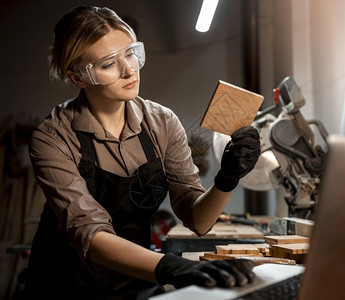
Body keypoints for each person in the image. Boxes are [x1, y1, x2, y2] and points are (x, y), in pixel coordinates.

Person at [25, 5, 261, 299]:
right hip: (64, 285)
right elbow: (92, 235)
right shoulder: (54, 136)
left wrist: (227, 178)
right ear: (77, 77)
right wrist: (173, 267)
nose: (129, 69)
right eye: (108, 64)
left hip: (136, 279)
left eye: (131, 53)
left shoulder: (161, 122)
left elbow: (198, 220)